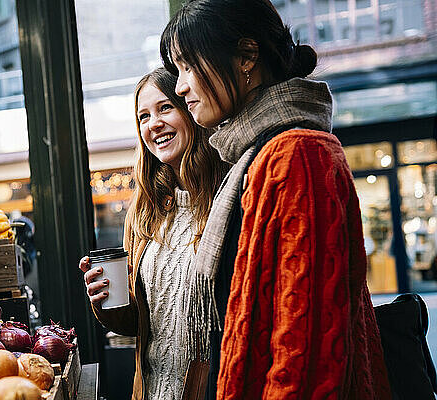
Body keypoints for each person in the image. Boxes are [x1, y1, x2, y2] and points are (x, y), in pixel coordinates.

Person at [160, 0, 392, 399]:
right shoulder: (249, 159)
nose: (180, 87)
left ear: (247, 56)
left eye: (187, 66)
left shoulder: (297, 154)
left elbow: (304, 351)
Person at [79, 67, 226, 400]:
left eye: (165, 108)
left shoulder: (226, 199)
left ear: (190, 109)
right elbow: (140, 324)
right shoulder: (144, 213)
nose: (153, 123)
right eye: (143, 116)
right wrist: (105, 301)